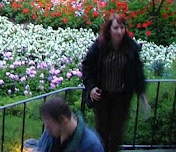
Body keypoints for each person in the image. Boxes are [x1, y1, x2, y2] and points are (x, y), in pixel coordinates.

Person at [80, 14, 147, 152]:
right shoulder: (99, 46)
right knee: (102, 130)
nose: (120, 32)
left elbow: (137, 72)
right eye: (116, 28)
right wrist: (91, 87)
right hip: (103, 96)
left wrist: (142, 94)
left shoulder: (130, 47)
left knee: (117, 132)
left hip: (121, 97)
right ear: (109, 29)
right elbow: (87, 67)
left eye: (122, 28)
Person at [37, 96, 103, 152]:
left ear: (63, 120)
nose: (47, 129)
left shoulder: (91, 145)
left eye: (49, 127)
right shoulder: (50, 134)